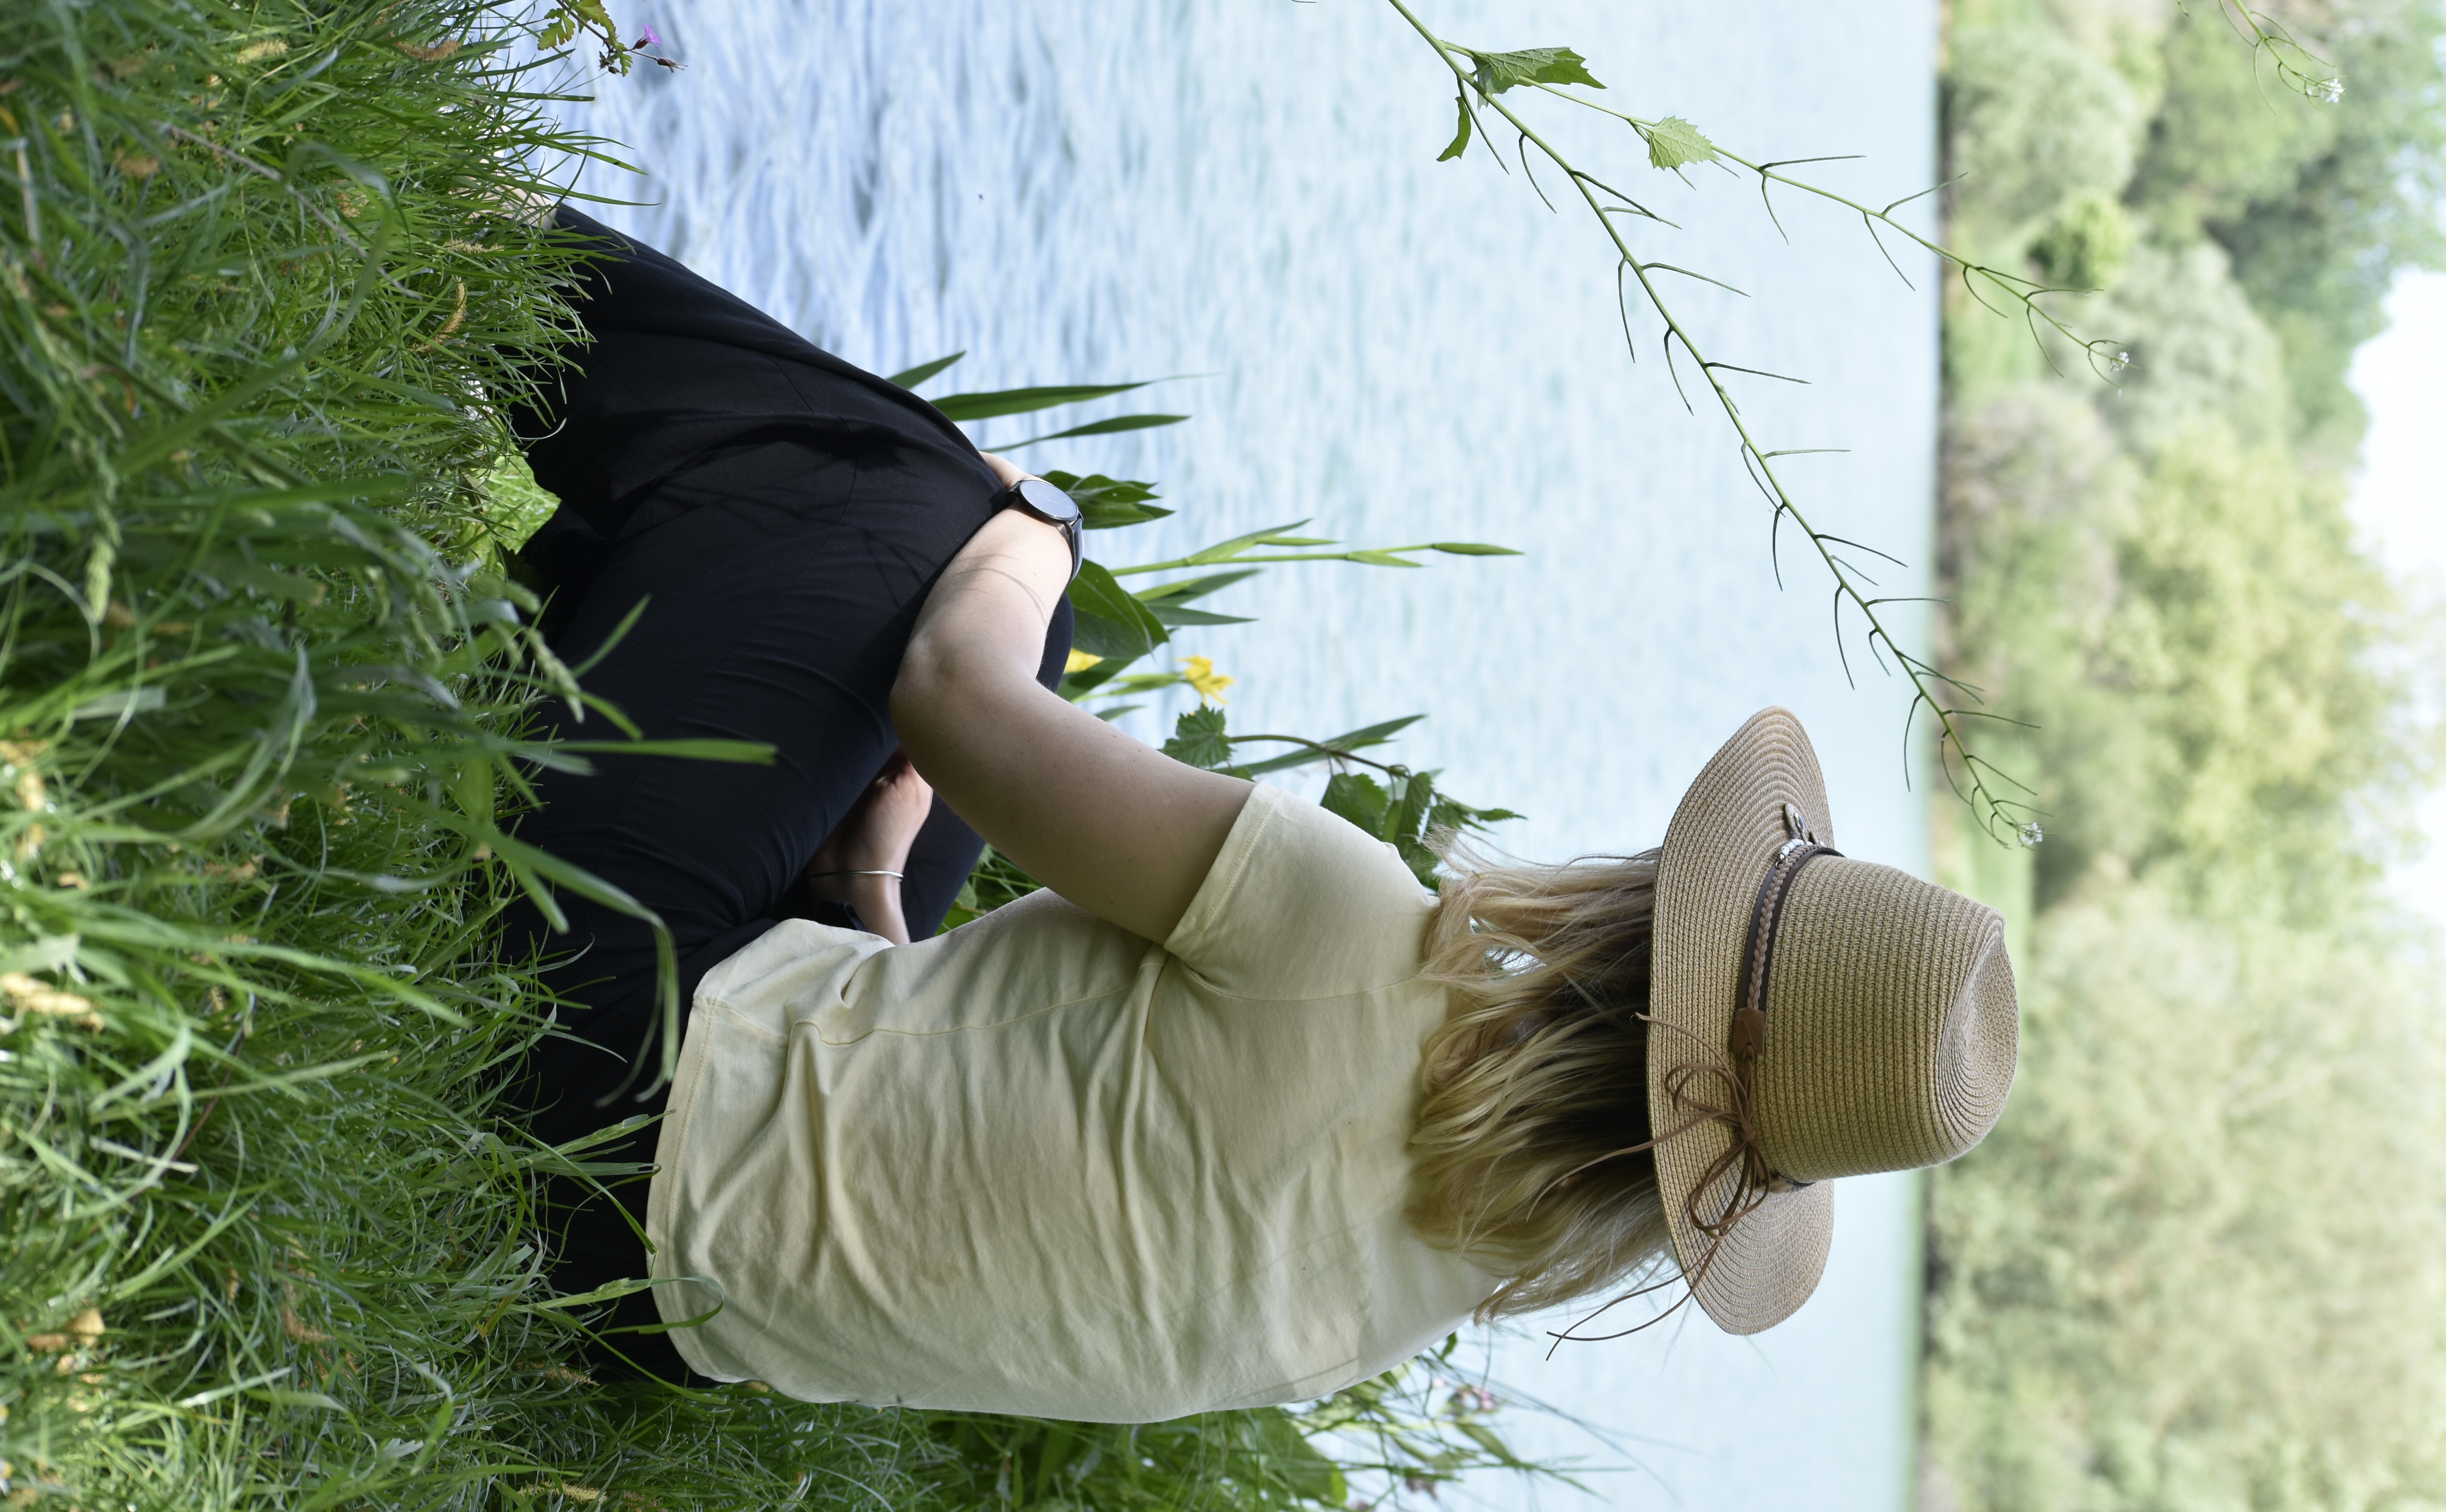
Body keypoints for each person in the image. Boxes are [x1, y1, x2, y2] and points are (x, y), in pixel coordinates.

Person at [504, 210, 2020, 1420]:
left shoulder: (1355, 936)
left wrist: (1038, 525)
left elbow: (944, 700)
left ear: (1659, 904)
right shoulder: (1406, 1294)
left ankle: (468, 244)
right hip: (615, 1287)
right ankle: (519, 640)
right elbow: (957, 1199)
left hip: (575, 1043)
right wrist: (874, 892)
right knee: (972, 695)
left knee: (932, 524)